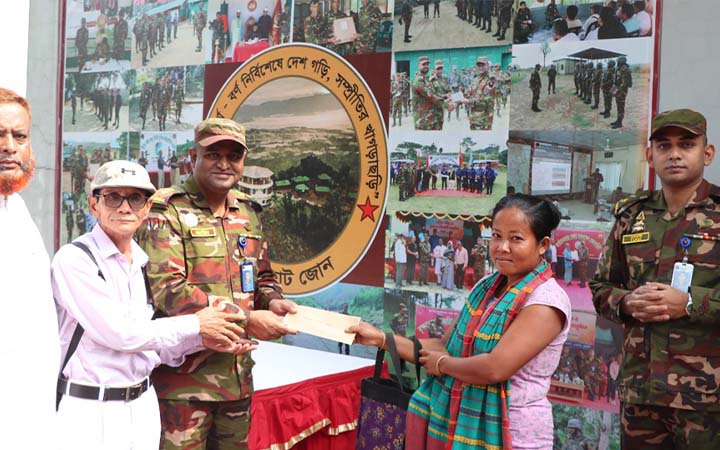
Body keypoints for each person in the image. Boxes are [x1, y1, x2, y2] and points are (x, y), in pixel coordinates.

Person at [52, 160, 254, 449]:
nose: (124, 208)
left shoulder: (141, 261)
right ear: (93, 205)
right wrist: (197, 323)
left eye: (135, 198)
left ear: (146, 209)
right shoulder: (75, 260)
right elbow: (122, 334)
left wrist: (206, 339)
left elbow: (152, 347)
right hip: (90, 410)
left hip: (142, 407)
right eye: (113, 197)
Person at [349, 194, 571, 449]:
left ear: (542, 245)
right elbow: (445, 347)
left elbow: (494, 368)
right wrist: (380, 338)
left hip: (513, 435)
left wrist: (443, 365)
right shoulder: (485, 288)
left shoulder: (546, 300)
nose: (502, 247)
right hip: (459, 423)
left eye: (516, 238)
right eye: (497, 236)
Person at [135, 118, 298, 449]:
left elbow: (261, 277)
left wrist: (273, 300)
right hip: (183, 384)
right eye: (213, 155)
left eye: (234, 156)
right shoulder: (167, 209)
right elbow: (166, 288)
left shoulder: (248, 212)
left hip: (237, 378)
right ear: (193, 158)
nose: (224, 164)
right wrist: (248, 319)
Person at [591, 109, 720, 449]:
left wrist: (690, 302)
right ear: (650, 156)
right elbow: (601, 287)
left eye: (687, 144)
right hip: (641, 392)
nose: (674, 153)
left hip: (708, 398)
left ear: (707, 153)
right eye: (664, 146)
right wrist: (627, 301)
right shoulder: (632, 216)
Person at [0, 87, 61, 449]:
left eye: (19, 136)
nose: (10, 146)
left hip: (29, 411)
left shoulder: (17, 209)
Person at [612, 56, 632, 129]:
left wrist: (616, 91)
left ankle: (619, 123)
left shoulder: (625, 70)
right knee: (618, 107)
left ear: (621, 62)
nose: (617, 62)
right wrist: (613, 91)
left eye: (618, 61)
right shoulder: (619, 69)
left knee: (620, 107)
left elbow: (624, 84)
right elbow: (616, 82)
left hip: (622, 92)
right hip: (618, 91)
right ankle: (618, 120)